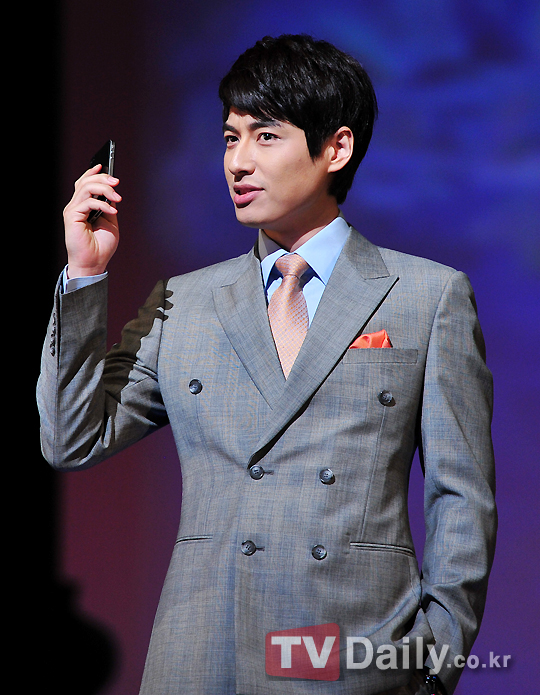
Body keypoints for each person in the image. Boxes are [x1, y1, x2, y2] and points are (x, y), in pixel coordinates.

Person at [38, 34, 496, 695]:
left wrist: (431, 665)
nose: (238, 161)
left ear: (336, 148)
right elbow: (70, 436)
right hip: (201, 661)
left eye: (266, 136)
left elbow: (462, 499)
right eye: (230, 138)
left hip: (353, 662)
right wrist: (84, 273)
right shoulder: (183, 302)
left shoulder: (426, 296)